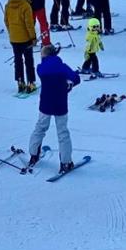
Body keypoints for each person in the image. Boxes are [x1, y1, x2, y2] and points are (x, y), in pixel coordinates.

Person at [27, 43, 80, 175]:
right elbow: (76, 78)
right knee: (62, 133)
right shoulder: (62, 67)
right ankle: (65, 162)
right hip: (60, 104)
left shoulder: (40, 68)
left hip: (45, 103)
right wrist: (69, 84)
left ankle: (33, 154)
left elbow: (45, 74)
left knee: (40, 128)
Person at [5, 0, 38, 94]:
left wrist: (11, 32)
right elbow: (29, 24)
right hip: (25, 39)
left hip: (14, 38)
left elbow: (6, 20)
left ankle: (20, 82)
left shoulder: (9, 4)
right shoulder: (25, 6)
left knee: (18, 61)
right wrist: (33, 37)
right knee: (29, 61)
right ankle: (31, 83)